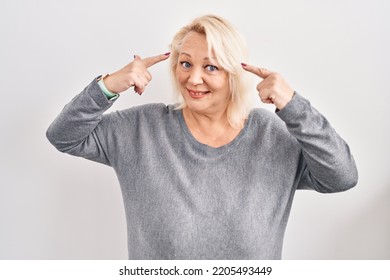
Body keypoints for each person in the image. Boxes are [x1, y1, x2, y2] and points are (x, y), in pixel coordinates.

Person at [46, 14, 358, 259]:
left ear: (233, 73)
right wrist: (109, 85)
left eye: (211, 67)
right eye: (185, 63)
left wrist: (293, 105)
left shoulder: (270, 135)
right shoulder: (140, 129)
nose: (193, 78)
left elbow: (341, 177)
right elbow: (64, 136)